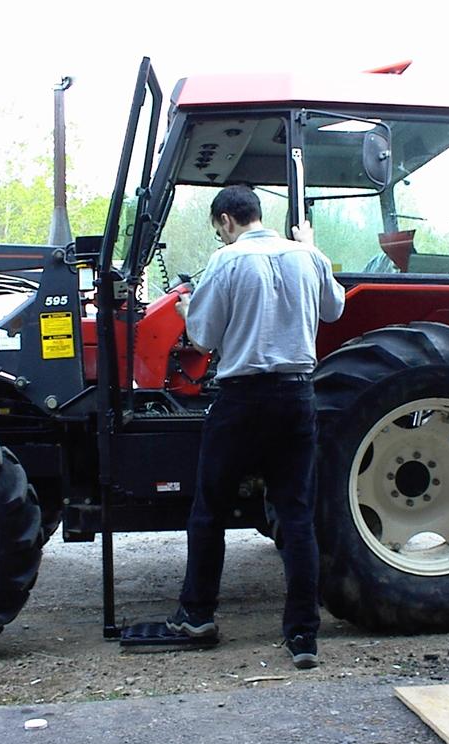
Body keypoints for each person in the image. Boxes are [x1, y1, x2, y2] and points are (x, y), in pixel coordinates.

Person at [166, 185, 345, 669]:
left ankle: (197, 614)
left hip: (241, 401)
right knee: (297, 516)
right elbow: (334, 310)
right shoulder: (307, 256)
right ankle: (303, 636)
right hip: (297, 397)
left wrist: (187, 312)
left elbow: (204, 338)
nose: (221, 236)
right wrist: (313, 248)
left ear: (226, 220)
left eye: (218, 229)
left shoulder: (227, 260)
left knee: (210, 511)